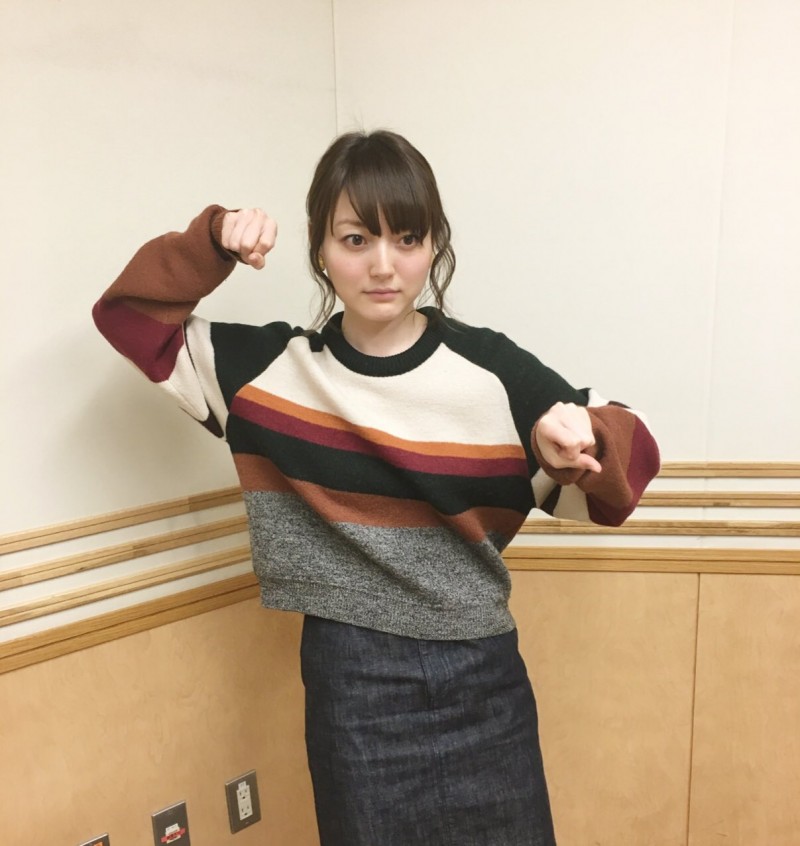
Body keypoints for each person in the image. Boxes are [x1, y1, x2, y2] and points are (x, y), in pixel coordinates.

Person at [93, 129, 660, 846]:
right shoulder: (273, 373)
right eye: (356, 239)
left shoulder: (490, 370)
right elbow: (127, 318)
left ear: (434, 244)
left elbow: (626, 474)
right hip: (352, 684)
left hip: (483, 679)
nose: (383, 265)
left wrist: (581, 439)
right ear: (320, 249)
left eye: (407, 238)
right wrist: (211, 242)